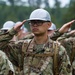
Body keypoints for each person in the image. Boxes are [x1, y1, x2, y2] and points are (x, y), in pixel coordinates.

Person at [0, 9, 72, 75]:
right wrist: (12, 31)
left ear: (49, 24)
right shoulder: (22, 47)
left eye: (39, 22)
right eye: (32, 22)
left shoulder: (58, 49)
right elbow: (1, 46)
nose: (35, 25)